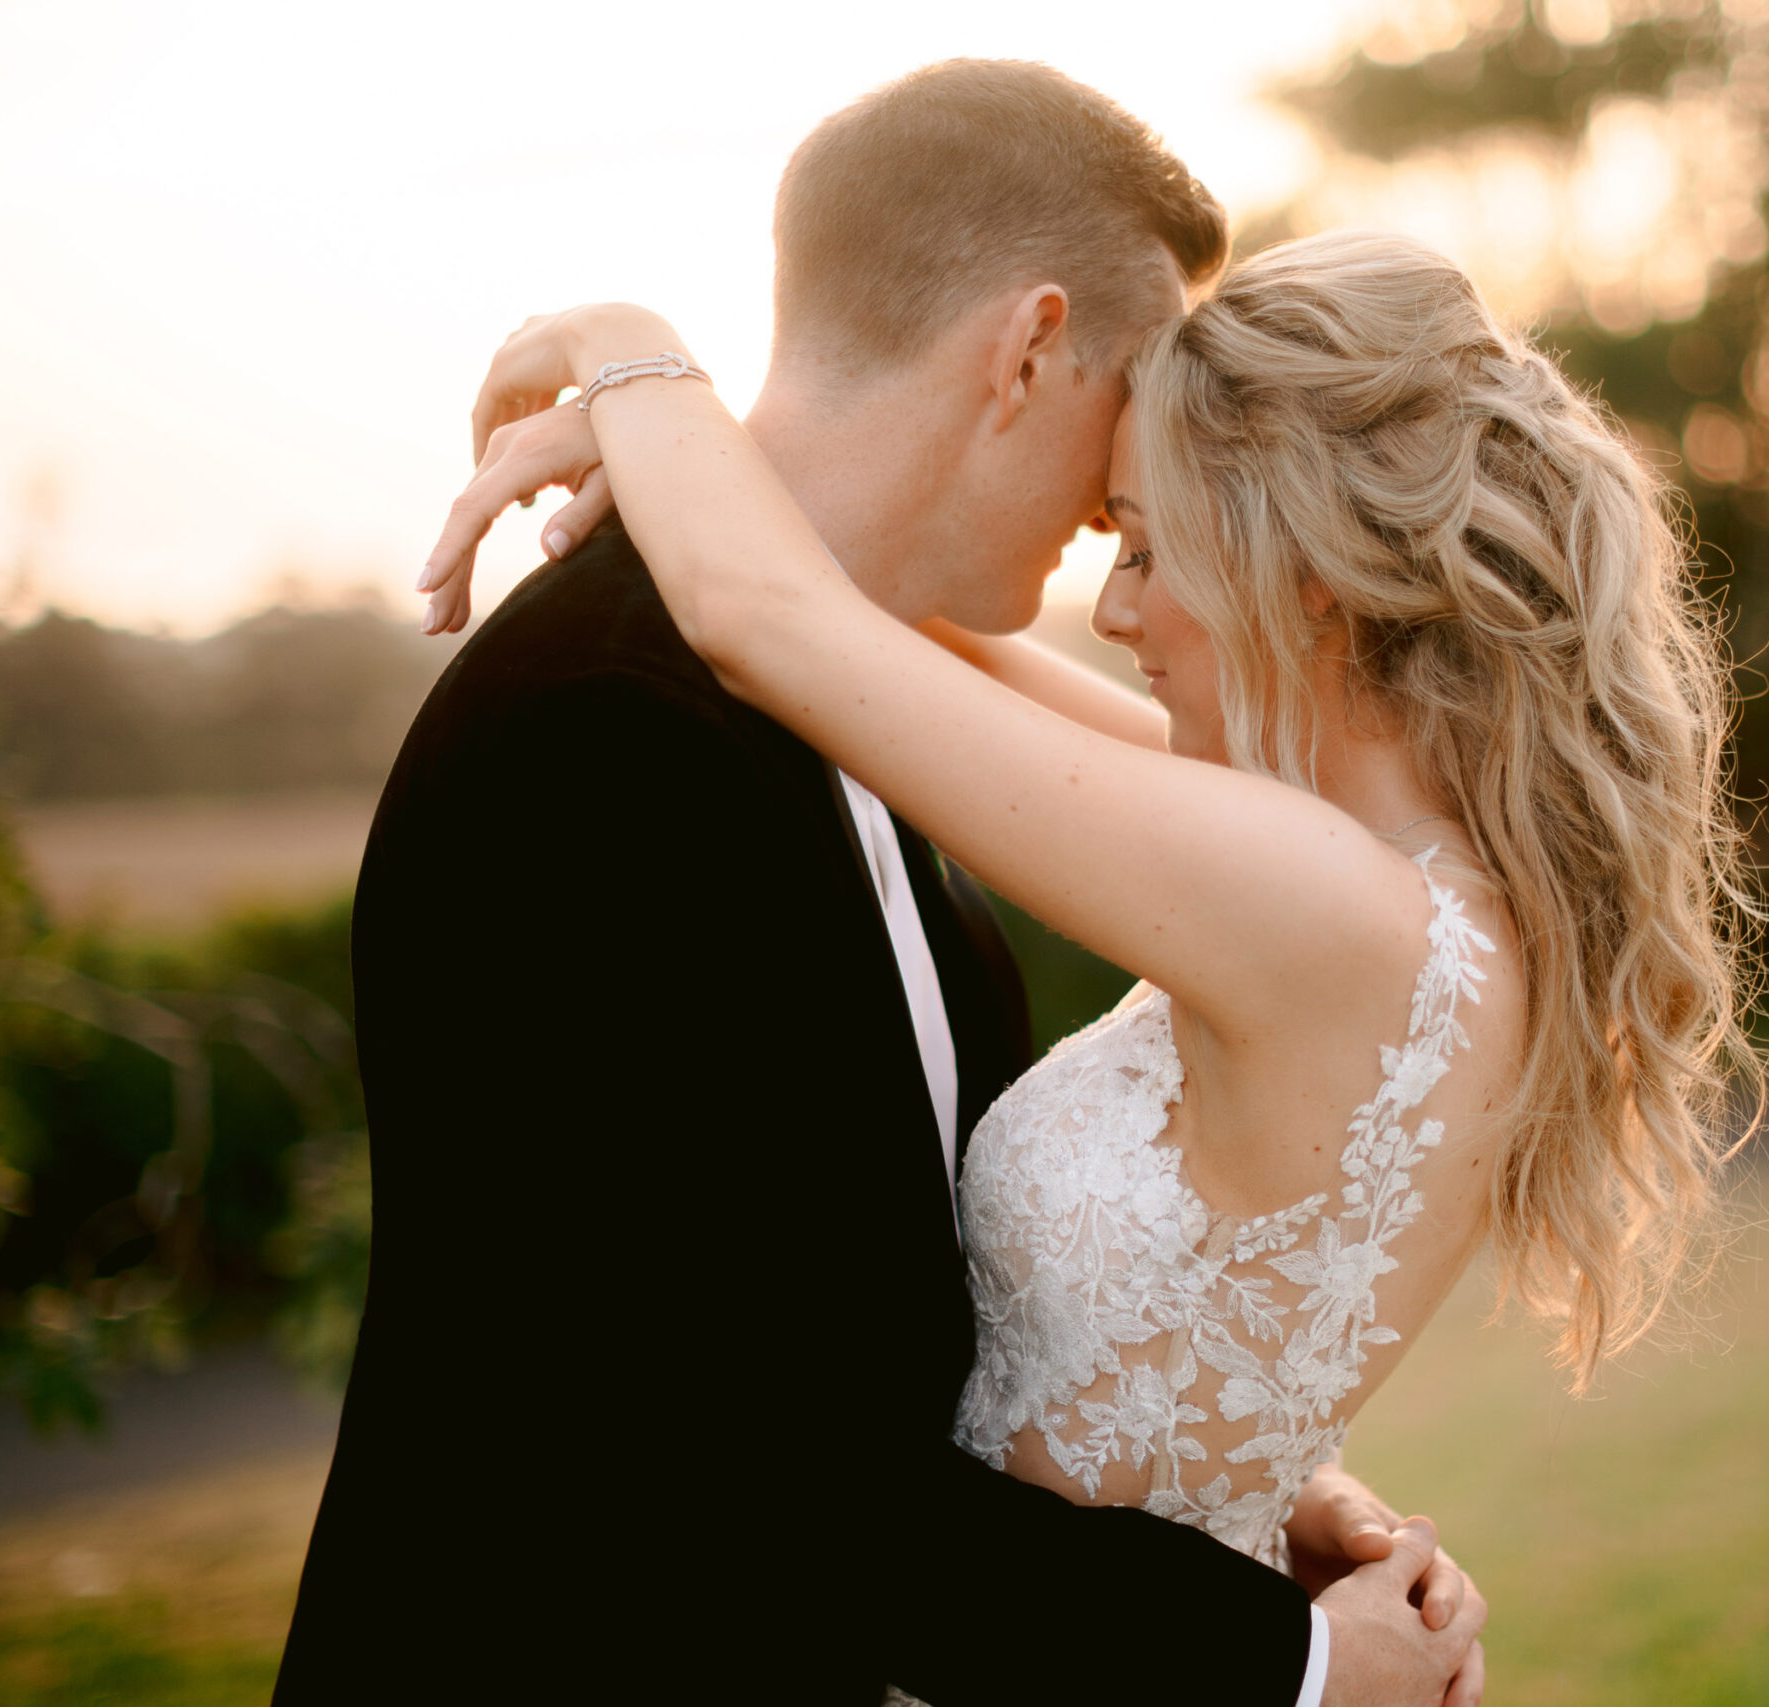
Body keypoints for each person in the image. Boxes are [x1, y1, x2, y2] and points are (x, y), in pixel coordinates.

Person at [418, 221, 1767, 1706]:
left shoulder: (1321, 904)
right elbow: (890, 621)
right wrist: (697, 478)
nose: (1114, 609)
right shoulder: (1385, 874)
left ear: (1305, 575)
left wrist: (629, 351)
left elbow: (779, 620)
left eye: (1144, 544)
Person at [276, 61, 1485, 1707]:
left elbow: (903, 1330)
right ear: (1030, 350)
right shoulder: (610, 734)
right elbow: (722, 1465)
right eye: (1127, 401)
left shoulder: (861, 718)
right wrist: (1278, 1668)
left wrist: (1236, 1472)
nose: (1129, 488)